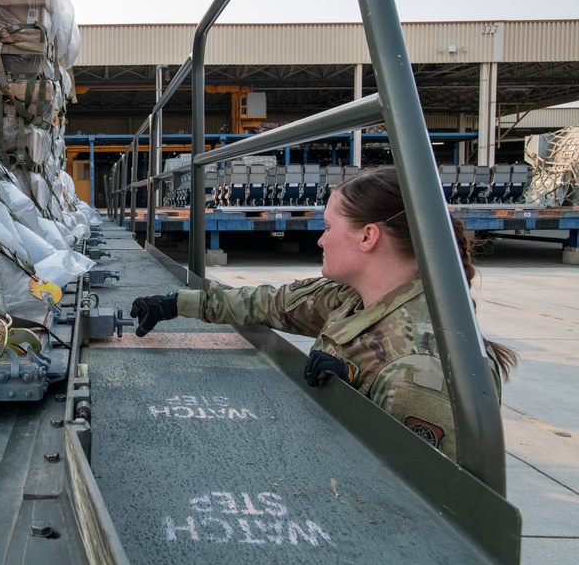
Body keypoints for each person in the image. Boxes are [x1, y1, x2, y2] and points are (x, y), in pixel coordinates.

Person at [130, 166, 516, 461]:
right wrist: (177, 303)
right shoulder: (351, 297)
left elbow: (424, 505)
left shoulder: (419, 370)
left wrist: (352, 405)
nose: (319, 239)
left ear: (368, 237)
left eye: (329, 227)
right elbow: (271, 303)